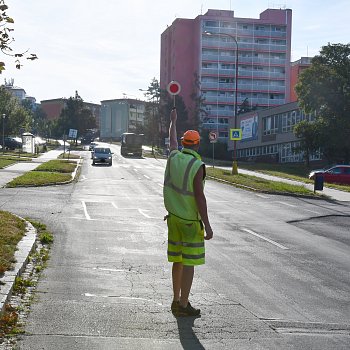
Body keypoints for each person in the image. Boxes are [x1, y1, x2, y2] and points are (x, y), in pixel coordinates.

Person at [163, 107, 213, 317]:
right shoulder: (197, 165)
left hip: (173, 219)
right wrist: (207, 225)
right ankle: (184, 304)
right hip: (190, 223)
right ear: (198, 144)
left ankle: (175, 300)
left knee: (178, 260)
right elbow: (199, 197)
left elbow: (172, 140)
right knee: (190, 263)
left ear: (184, 144)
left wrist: (173, 121)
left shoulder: (174, 156)